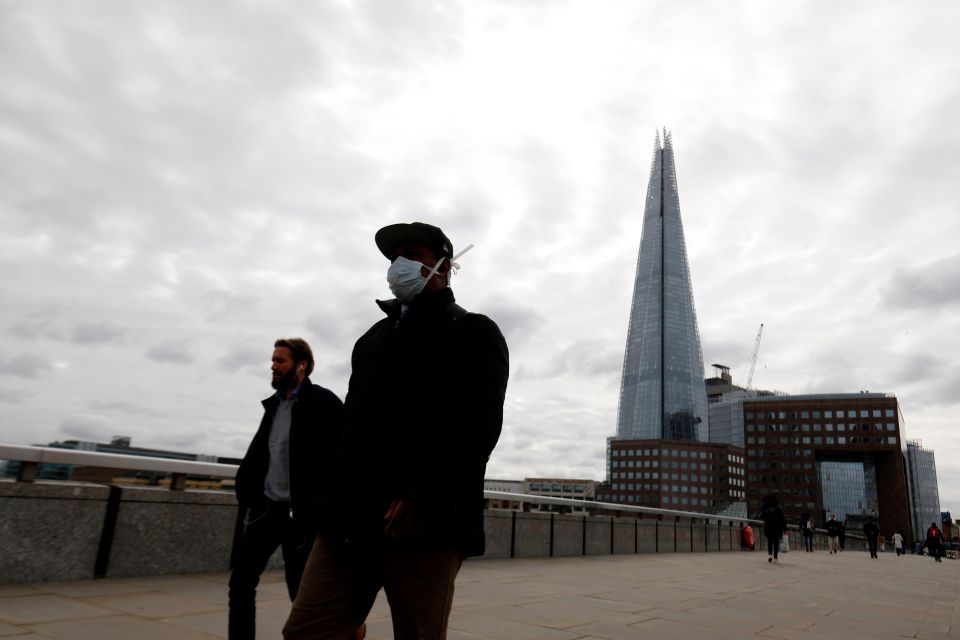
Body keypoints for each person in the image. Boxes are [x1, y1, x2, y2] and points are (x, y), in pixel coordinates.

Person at [283, 222, 509, 639]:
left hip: (425, 526)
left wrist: (420, 495)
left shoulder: (474, 331)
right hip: (347, 523)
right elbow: (349, 430)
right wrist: (323, 505)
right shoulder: (371, 339)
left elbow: (478, 426)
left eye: (411, 255)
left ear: (444, 265)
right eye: (393, 258)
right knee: (305, 631)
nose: (398, 265)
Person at [229, 339, 345, 640]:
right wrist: (248, 490)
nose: (274, 366)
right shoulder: (273, 405)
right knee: (241, 584)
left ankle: (342, 631)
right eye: (273, 360)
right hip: (265, 510)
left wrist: (322, 505)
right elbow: (263, 452)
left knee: (302, 592)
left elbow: (342, 455)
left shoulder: (323, 403)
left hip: (301, 518)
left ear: (301, 365)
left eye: (281, 360)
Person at [759, 495, 787, 563]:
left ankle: (770, 555)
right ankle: (775, 557)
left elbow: (761, 517)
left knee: (770, 542)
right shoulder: (778, 509)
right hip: (777, 529)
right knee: (776, 543)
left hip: (769, 528)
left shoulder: (767, 509)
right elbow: (783, 520)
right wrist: (785, 529)